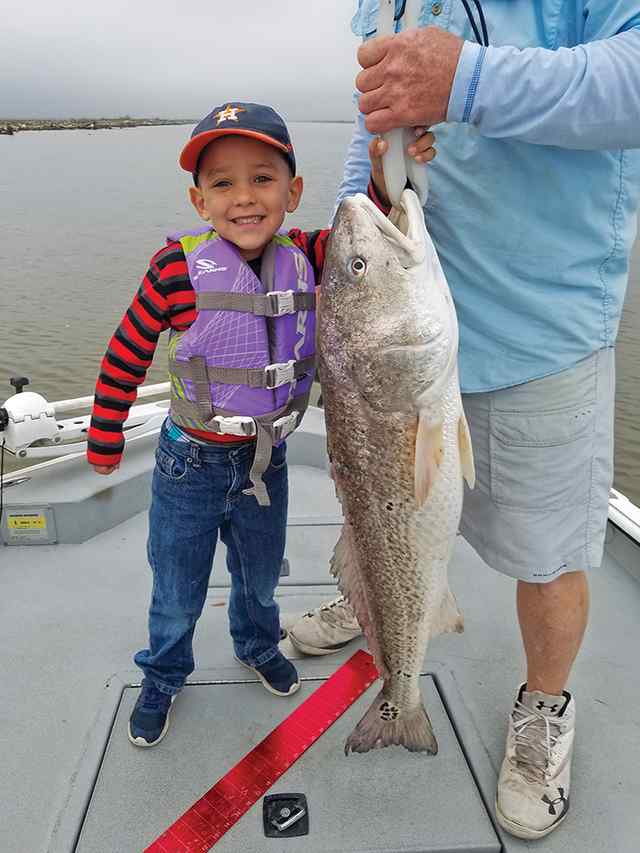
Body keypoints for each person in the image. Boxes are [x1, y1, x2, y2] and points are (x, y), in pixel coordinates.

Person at [284, 1, 640, 841]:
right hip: (397, 336)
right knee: (376, 508)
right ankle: (379, 600)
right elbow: (371, 138)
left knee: (547, 554)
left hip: (537, 327)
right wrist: (367, 183)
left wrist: (467, 80)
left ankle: (543, 707)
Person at [86, 101, 434, 748]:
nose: (244, 198)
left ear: (294, 191)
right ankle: (163, 671)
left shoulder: (310, 253)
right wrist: (104, 434)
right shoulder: (173, 271)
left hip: (263, 462)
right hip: (187, 462)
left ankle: (255, 643)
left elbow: (373, 231)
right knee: (178, 583)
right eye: (223, 183)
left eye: (263, 179)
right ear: (199, 200)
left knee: (259, 573)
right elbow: (125, 351)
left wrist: (394, 162)